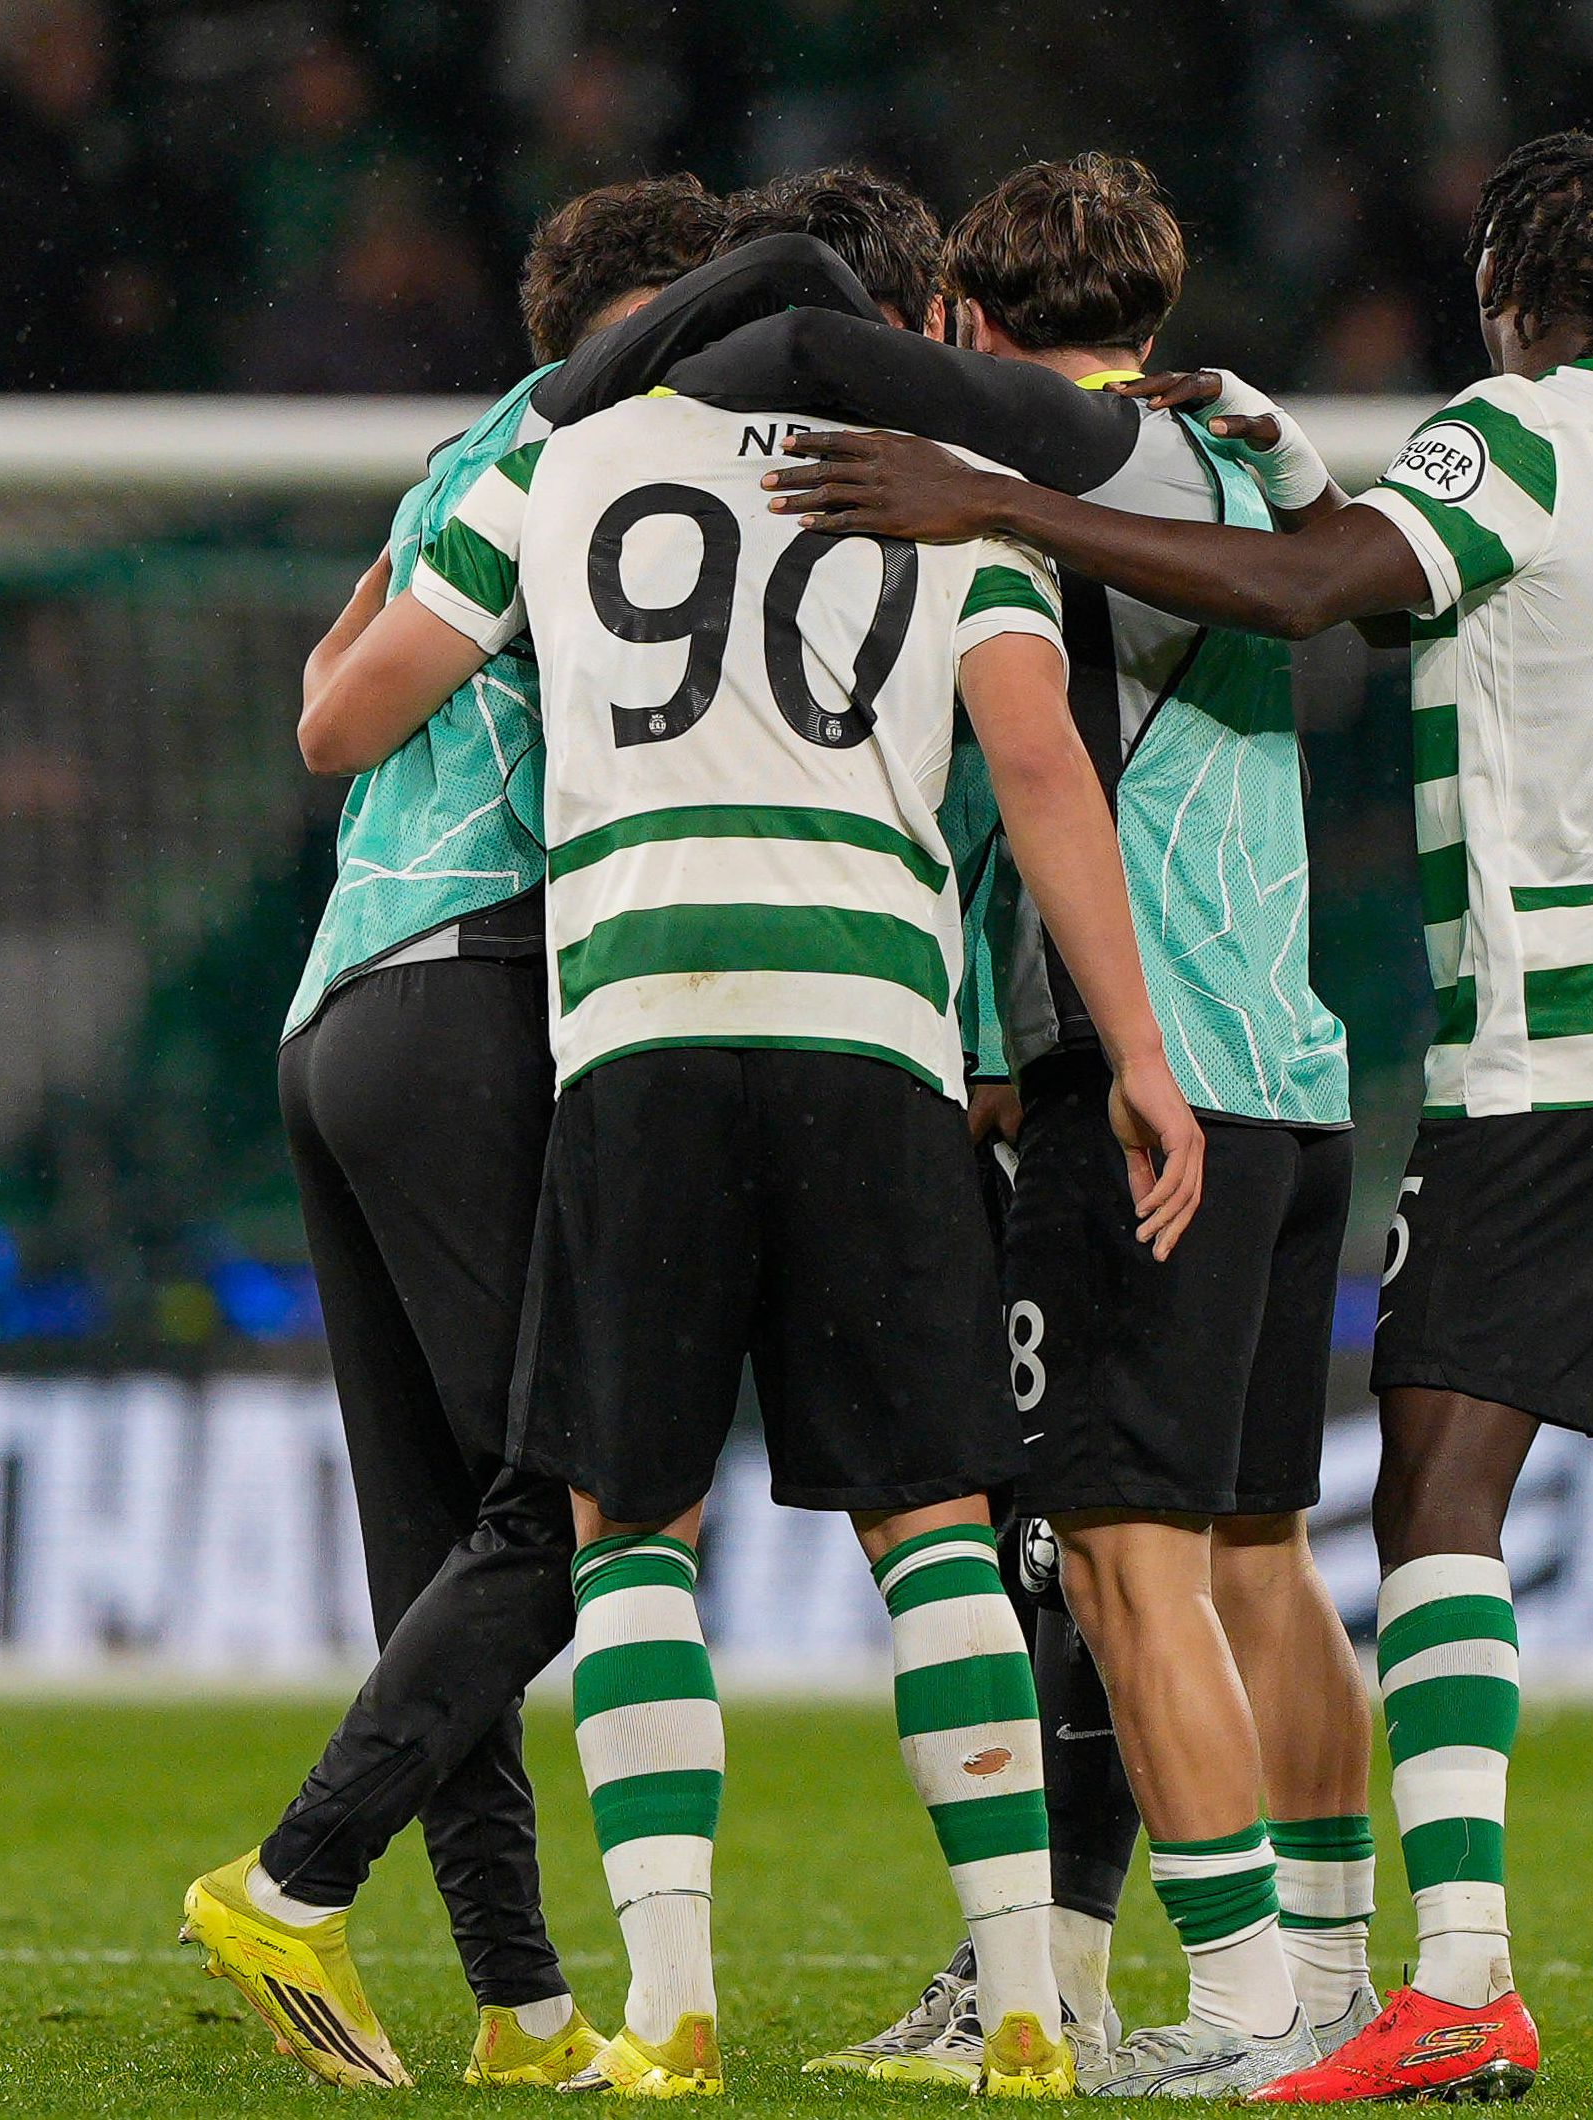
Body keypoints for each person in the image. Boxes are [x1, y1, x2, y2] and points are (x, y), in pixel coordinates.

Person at [767, 132, 1593, 2105]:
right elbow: (1334, 543)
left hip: (1408, 1047)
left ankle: (1323, 1986)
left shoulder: (1474, 442)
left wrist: (983, 491)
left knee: (1228, 1535)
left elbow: (1316, 593)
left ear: (1506, 285)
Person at [287, 163, 1206, 2101]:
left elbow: (352, 716)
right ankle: (1034, 1997)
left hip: (643, 1024)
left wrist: (397, 569)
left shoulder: (569, 465)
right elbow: (1036, 766)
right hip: (870, 1021)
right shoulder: (940, 487)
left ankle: (670, 2007)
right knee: (933, 1523)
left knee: (634, 1526)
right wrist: (1132, 1047)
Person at [560, 153, 1379, 2097]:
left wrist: (595, 388)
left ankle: (1253, 1997)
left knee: (1112, 1556)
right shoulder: (1244, 442)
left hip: (1152, 1070)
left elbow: (794, 350)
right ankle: (1334, 1974)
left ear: (969, 328)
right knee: (1257, 1554)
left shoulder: (1054, 453)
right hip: (1296, 1061)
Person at [174, 174, 726, 2095]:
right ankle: (295, 1874)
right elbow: (357, 722)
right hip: (480, 987)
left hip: (340, 1008)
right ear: (641, 317)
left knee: (444, 1546)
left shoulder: (462, 460)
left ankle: (523, 2007)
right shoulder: (600, 450)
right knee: (591, 1497)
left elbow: (325, 716)